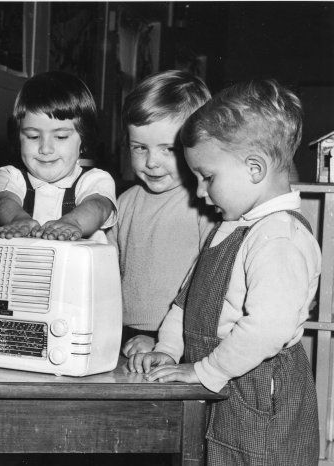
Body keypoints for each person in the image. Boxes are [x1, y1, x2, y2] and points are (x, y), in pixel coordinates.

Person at [128, 80, 320, 465]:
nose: (199, 192)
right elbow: (186, 300)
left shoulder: (279, 237)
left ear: (254, 169)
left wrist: (204, 371)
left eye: (208, 177)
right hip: (219, 385)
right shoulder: (232, 226)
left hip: (258, 395)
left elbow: (267, 329)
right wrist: (168, 350)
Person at [108, 70, 216, 356]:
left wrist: (162, 341)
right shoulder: (125, 201)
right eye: (140, 148)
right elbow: (106, 267)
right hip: (122, 332)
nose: (152, 162)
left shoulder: (205, 204)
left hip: (180, 339)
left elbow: (209, 285)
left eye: (168, 149)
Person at [0, 71, 116, 243]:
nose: (45, 149)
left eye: (60, 137)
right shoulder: (11, 176)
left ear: (83, 140)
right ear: (18, 138)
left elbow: (99, 206)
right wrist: (17, 219)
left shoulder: (95, 179)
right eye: (33, 136)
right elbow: (3, 200)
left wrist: (73, 222)